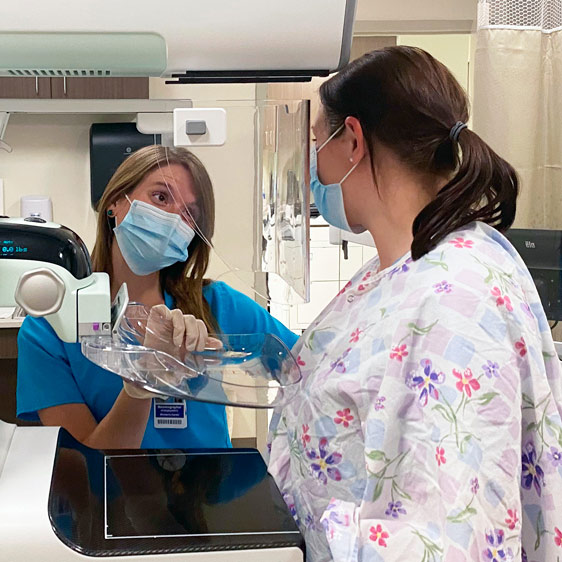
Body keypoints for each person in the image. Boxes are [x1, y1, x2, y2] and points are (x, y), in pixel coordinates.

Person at [267, 46, 562, 561]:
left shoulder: (457, 299)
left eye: (318, 142)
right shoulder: (396, 268)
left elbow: (452, 539)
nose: (314, 165)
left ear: (353, 140)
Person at [17, 145, 297, 450]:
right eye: (160, 197)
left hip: (207, 493)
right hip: (111, 495)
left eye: (189, 214)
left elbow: (311, 368)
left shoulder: (216, 304)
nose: (172, 220)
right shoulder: (50, 329)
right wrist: (142, 380)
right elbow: (87, 466)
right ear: (114, 202)